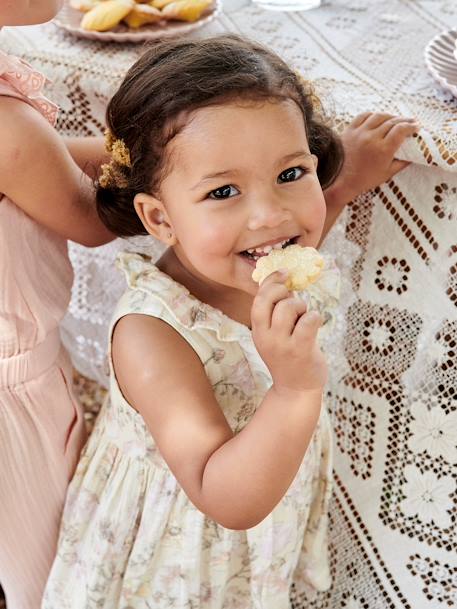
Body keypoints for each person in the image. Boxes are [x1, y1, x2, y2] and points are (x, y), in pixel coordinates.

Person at [43, 35, 418, 609]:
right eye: (224, 191)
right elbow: (225, 496)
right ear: (160, 218)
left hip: (255, 545)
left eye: (291, 174)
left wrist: (342, 184)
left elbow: (286, 235)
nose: (270, 216)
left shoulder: (256, 260)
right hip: (182, 561)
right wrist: (294, 389)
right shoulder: (153, 334)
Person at [0, 3, 114, 608]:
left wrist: (118, 146)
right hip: (11, 399)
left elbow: (36, 155)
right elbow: (94, 221)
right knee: (49, 580)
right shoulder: (6, 128)